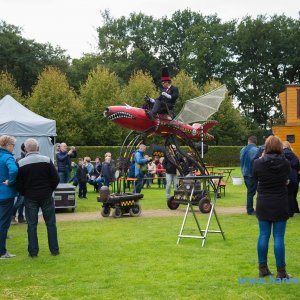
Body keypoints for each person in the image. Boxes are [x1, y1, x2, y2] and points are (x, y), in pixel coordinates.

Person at [253, 135, 292, 279]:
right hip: (280, 202)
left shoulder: (257, 163)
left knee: (263, 235)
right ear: (279, 147)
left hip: (263, 201)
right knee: (279, 237)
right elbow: (287, 180)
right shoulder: (286, 163)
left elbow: (256, 178)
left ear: (266, 147)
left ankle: (263, 269)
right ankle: (281, 272)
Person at [15, 138, 60, 257]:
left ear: (25, 149)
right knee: (51, 224)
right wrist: (49, 190)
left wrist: (25, 192)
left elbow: (18, 182)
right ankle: (54, 250)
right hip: (46, 195)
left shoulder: (20, 163)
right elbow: (56, 178)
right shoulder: (46, 160)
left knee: (31, 225)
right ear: (38, 148)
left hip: (30, 197)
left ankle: (33, 252)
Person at [0, 135, 18, 259]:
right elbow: (14, 170)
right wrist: (11, 182)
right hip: (5, 194)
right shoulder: (7, 157)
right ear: (7, 145)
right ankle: (2, 252)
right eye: (13, 146)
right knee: (3, 223)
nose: (14, 148)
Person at [240, 136, 258, 215]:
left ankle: (250, 209)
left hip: (244, 173)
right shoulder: (255, 150)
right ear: (255, 142)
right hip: (252, 174)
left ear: (248, 141)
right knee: (251, 193)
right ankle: (250, 210)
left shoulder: (242, 149)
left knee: (250, 192)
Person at [282, 141, 300, 216]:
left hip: (286, 177)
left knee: (287, 195)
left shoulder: (282, 154)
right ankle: (295, 209)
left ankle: (289, 212)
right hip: (294, 178)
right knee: (292, 195)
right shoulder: (294, 155)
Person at [11, 143, 27, 225]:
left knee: (23, 202)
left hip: (26, 184)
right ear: (24, 148)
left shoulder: (26, 158)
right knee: (19, 201)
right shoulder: (19, 159)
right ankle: (12, 217)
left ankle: (21, 217)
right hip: (21, 184)